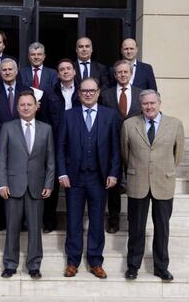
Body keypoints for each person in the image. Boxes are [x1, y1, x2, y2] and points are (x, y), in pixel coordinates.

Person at [58, 78, 120, 279]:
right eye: (84, 91)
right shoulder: (68, 116)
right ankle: (73, 261)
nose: (88, 94)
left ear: (98, 92)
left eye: (92, 90)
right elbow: (61, 147)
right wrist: (62, 172)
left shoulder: (110, 116)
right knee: (74, 220)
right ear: (78, 93)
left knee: (96, 220)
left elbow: (115, 149)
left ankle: (95, 261)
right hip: (74, 179)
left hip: (99, 178)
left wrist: (113, 172)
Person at [121, 89, 184, 281]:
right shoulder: (129, 124)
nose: (149, 107)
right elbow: (125, 153)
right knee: (136, 228)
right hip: (137, 181)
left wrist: (164, 169)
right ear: (140, 106)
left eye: (152, 103)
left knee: (162, 228)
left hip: (163, 182)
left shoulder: (175, 124)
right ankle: (133, 266)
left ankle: (161, 267)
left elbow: (178, 155)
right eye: (145, 104)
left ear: (159, 103)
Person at [0, 90, 55, 279]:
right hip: (13, 186)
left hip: (37, 186)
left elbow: (51, 160)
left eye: (29, 104)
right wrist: (2, 183)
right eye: (22, 104)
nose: (25, 107)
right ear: (17, 107)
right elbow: (1, 158)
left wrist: (49, 183)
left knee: (35, 228)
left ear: (36, 106)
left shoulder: (46, 129)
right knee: (12, 227)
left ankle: (34, 265)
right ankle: (10, 264)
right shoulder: (8, 127)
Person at [0, 58, 31, 231]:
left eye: (10, 69)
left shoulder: (26, 91)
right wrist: (7, 130)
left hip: (24, 143)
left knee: (23, 180)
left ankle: (24, 219)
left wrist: (17, 130)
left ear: (17, 71)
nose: (7, 72)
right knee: (1, 179)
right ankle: (0, 219)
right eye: (4, 70)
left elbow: (30, 114)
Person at [100, 59, 142, 233]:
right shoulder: (106, 94)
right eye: (119, 72)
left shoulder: (140, 94)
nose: (122, 75)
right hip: (113, 145)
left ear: (130, 73)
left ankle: (134, 219)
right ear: (115, 75)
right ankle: (114, 220)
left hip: (135, 146)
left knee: (135, 183)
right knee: (114, 186)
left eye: (125, 72)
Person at [43, 58, 81, 233]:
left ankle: (75, 222)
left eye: (68, 68)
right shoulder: (49, 93)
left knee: (75, 183)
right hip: (55, 140)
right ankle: (49, 222)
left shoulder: (83, 92)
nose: (65, 71)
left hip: (77, 143)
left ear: (74, 71)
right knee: (52, 181)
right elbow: (44, 119)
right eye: (62, 69)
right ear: (58, 74)